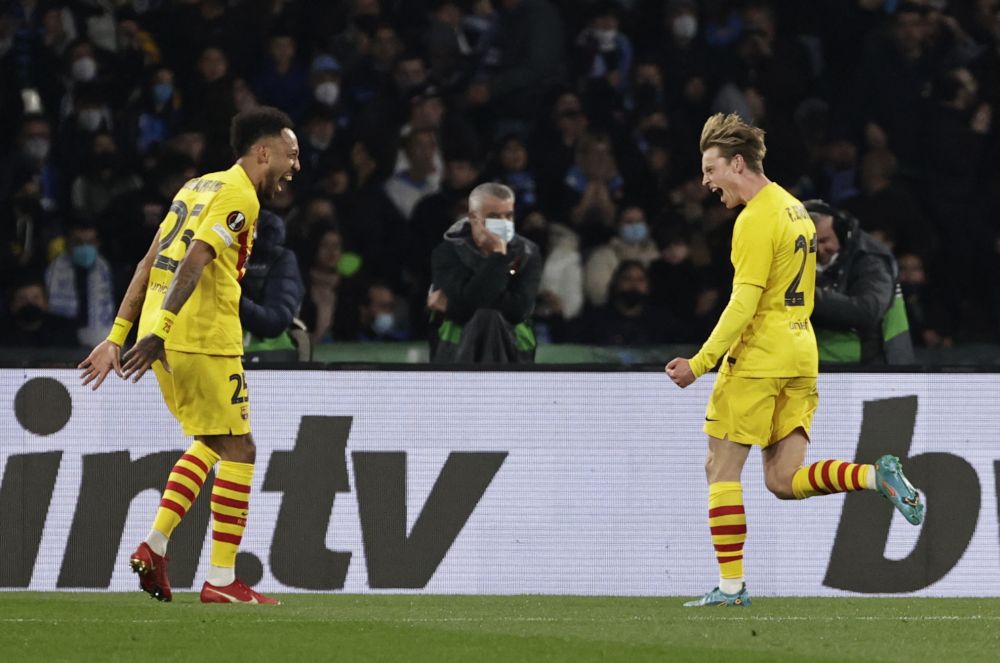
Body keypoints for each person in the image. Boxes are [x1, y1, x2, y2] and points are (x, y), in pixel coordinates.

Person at [664, 113, 924, 608]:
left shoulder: (755, 218)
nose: (705, 181)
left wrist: (700, 363)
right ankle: (875, 475)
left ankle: (731, 587)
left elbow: (744, 302)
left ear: (736, 163)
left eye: (710, 168)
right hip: (802, 352)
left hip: (760, 354)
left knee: (720, 469)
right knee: (783, 480)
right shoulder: (795, 209)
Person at [77, 106, 300, 605]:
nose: (295, 165)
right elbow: (195, 261)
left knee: (211, 440)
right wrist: (160, 330)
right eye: (291, 154)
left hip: (168, 338)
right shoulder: (239, 196)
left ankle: (155, 546)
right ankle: (221, 579)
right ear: (264, 152)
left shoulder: (196, 186)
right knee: (241, 449)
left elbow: (149, 259)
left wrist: (120, 335)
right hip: (201, 337)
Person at [428, 182, 542, 363]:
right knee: (486, 317)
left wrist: (451, 306)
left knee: (489, 317)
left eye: (509, 216)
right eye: (495, 217)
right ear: (474, 217)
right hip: (457, 348)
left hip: (512, 345)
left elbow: (520, 310)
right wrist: (498, 257)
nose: (504, 223)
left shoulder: (528, 252)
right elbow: (467, 307)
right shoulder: (448, 252)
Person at [805, 199, 914, 365]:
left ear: (840, 231)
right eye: (811, 244)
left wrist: (805, 294)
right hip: (820, 367)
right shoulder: (798, 258)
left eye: (824, 240)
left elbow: (867, 311)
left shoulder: (871, 260)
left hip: (874, 370)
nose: (819, 250)